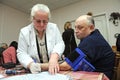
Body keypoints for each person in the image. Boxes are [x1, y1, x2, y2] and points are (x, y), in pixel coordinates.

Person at [40, 15, 115, 80]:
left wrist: (39, 66)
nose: (76, 31)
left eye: (80, 28)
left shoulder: (91, 41)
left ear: (91, 28)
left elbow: (66, 66)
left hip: (101, 76)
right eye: (75, 27)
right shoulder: (94, 36)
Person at [17, 4, 65, 74]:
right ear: (32, 19)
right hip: (36, 68)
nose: (42, 24)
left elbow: (60, 43)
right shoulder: (24, 32)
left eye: (45, 21)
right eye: (38, 21)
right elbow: (21, 52)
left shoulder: (53, 27)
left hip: (54, 66)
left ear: (48, 19)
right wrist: (30, 64)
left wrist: (54, 57)